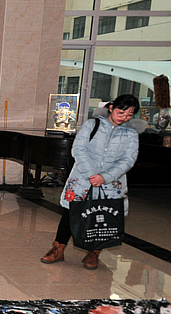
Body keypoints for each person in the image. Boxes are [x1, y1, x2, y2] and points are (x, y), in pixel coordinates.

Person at [41, 94, 144, 270]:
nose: (124, 117)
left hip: (112, 183)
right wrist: (92, 174)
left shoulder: (131, 134)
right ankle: (58, 249)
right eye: (121, 112)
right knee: (71, 212)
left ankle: (94, 253)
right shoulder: (92, 125)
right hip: (83, 177)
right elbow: (78, 149)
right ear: (111, 108)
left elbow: (128, 160)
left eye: (129, 115)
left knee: (104, 215)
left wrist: (106, 177)